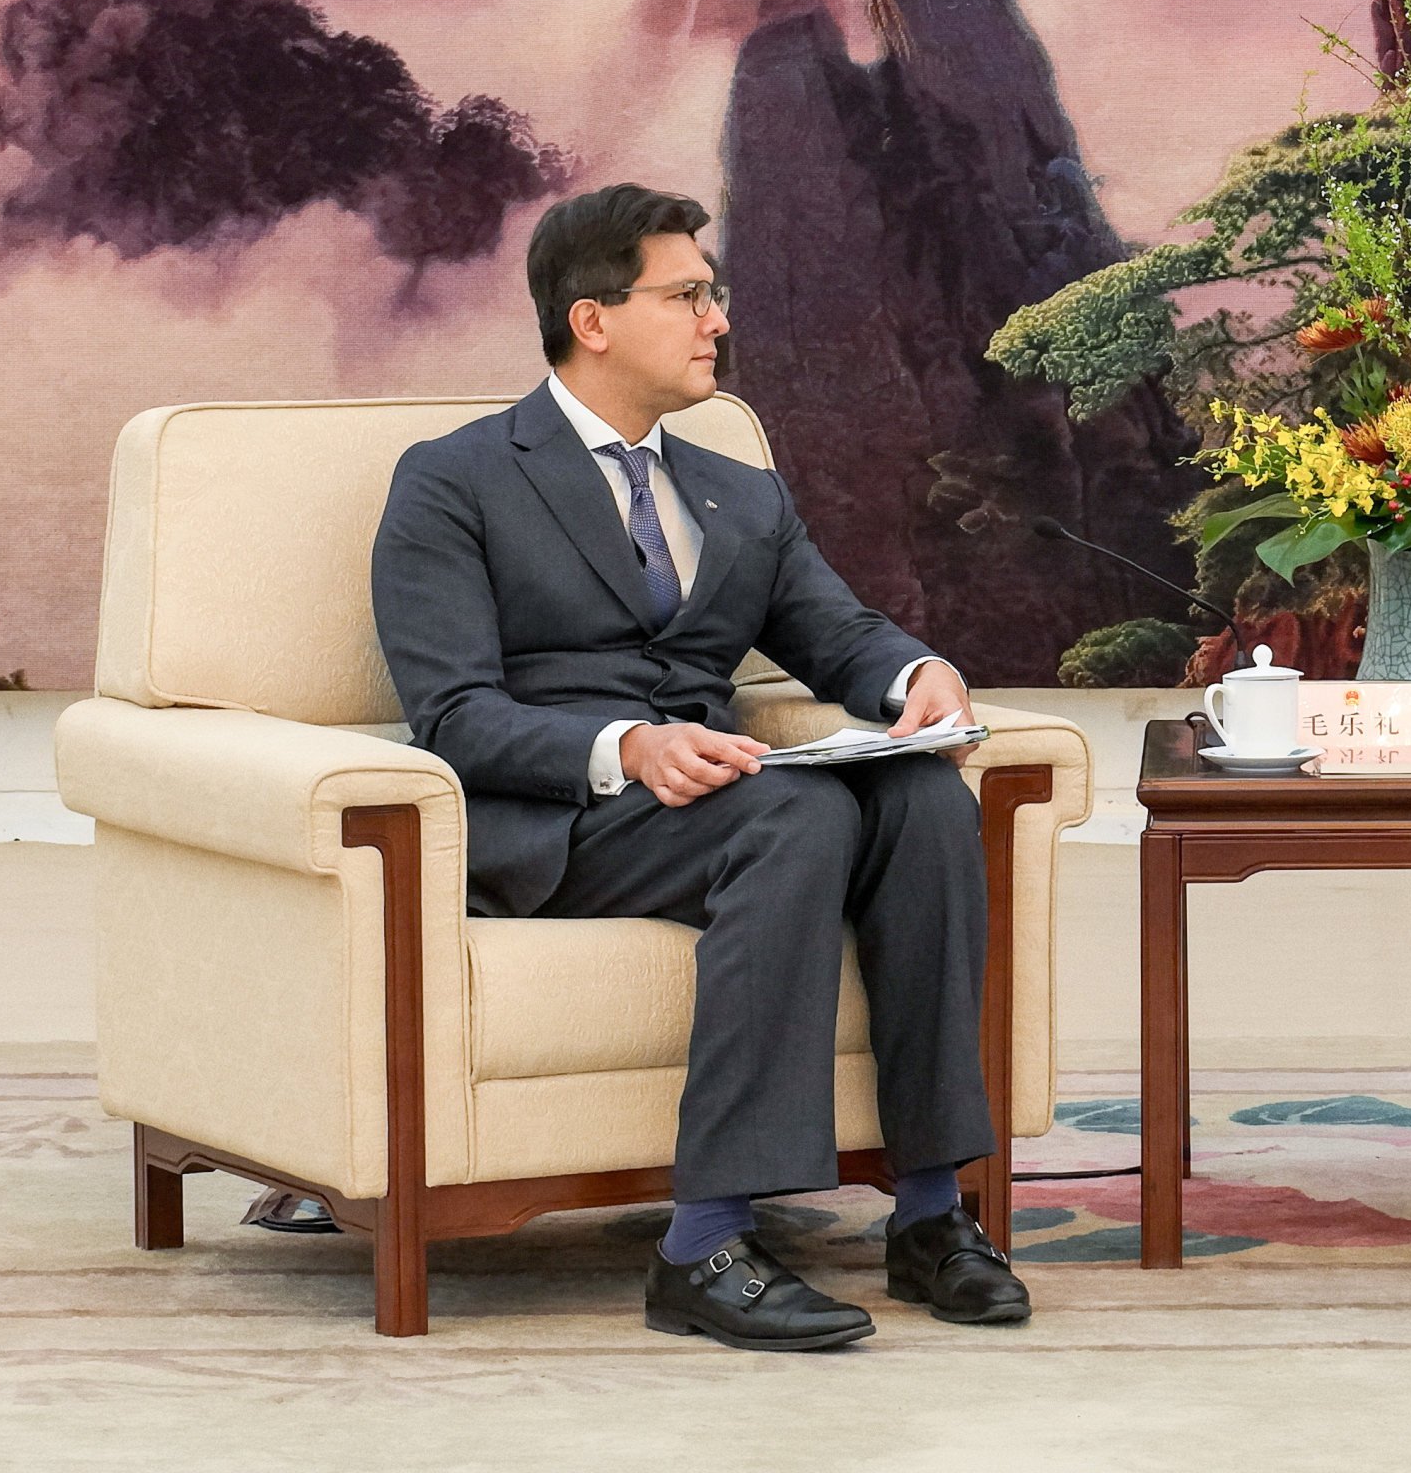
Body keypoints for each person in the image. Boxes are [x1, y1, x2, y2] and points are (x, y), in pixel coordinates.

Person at [369, 181, 1027, 1353]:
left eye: (710, 295)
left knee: (925, 796)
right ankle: (704, 1244)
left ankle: (931, 1211)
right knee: (798, 819)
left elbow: (838, 631)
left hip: (720, 794)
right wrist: (626, 746)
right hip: (571, 819)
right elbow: (453, 712)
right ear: (594, 318)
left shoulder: (737, 485)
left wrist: (916, 677)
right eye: (688, 296)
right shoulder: (454, 479)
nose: (717, 319)